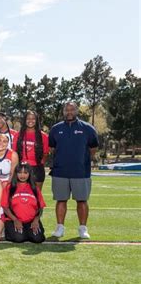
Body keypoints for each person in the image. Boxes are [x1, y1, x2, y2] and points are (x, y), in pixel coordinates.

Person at [49, 102, 99, 239]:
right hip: (60, 172)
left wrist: (81, 161)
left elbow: (93, 148)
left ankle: (83, 228)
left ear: (77, 111)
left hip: (81, 172)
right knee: (61, 200)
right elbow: (53, 148)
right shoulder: (55, 129)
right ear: (63, 111)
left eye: (72, 109)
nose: (69, 112)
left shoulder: (88, 128)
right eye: (67, 110)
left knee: (82, 201)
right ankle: (60, 228)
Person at [1, 163, 46, 243]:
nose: (22, 175)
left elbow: (41, 207)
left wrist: (36, 220)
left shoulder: (34, 188)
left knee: (38, 239)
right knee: (19, 238)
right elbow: (5, 207)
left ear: (29, 174)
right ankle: (10, 231)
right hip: (14, 219)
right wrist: (15, 220)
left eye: (25, 173)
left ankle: (27, 232)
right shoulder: (9, 187)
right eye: (20, 173)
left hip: (31, 220)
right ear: (16, 173)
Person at [13, 110, 49, 189]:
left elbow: (45, 154)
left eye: (33, 119)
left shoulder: (43, 136)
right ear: (25, 120)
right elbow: (14, 154)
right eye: (28, 118)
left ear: (37, 121)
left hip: (37, 169)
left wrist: (39, 165)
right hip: (21, 168)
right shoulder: (17, 135)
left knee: (36, 195)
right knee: (21, 195)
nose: (30, 121)